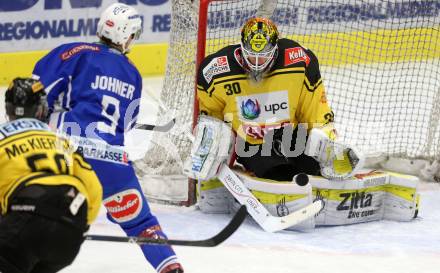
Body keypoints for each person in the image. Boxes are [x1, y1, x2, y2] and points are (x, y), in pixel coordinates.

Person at [31, 3, 183, 273]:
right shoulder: (133, 74)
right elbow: (127, 124)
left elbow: (34, 90)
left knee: (21, 195)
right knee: (140, 220)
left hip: (64, 147)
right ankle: (168, 264)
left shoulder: (75, 52)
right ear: (127, 35)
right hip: (109, 157)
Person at [0, 77, 103, 273]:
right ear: (40, 109)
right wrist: (77, 227)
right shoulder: (60, 139)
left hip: (25, 222)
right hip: (68, 231)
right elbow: (94, 189)